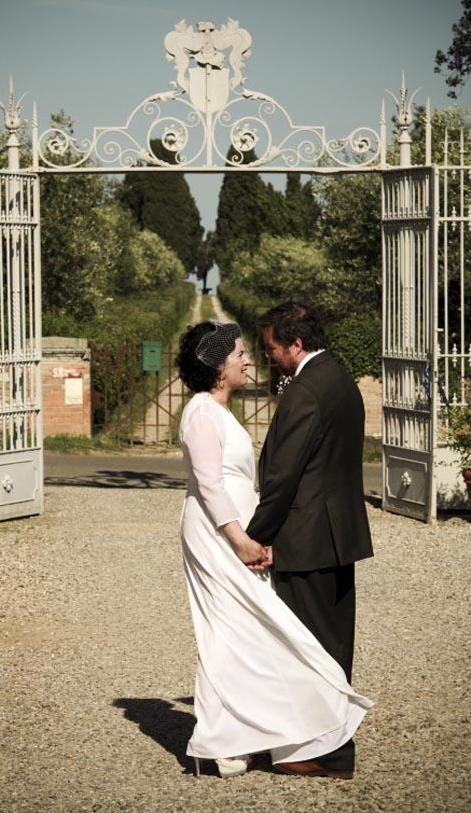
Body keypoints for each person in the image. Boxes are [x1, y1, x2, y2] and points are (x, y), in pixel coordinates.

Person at [176, 319, 372, 780]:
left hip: (242, 535)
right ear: (217, 367)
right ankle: (221, 745)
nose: (248, 360)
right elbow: (209, 487)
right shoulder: (201, 413)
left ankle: (247, 736)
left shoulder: (221, 411)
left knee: (248, 631)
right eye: (239, 354)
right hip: (218, 536)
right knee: (227, 631)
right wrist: (242, 539)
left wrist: (257, 536)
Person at [245, 302, 374, 779]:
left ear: (295, 344)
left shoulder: (304, 392)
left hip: (307, 538)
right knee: (334, 643)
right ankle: (323, 744)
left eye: (272, 347)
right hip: (339, 533)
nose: (269, 355)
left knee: (308, 648)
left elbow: (284, 477)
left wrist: (255, 537)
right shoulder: (340, 379)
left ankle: (327, 753)